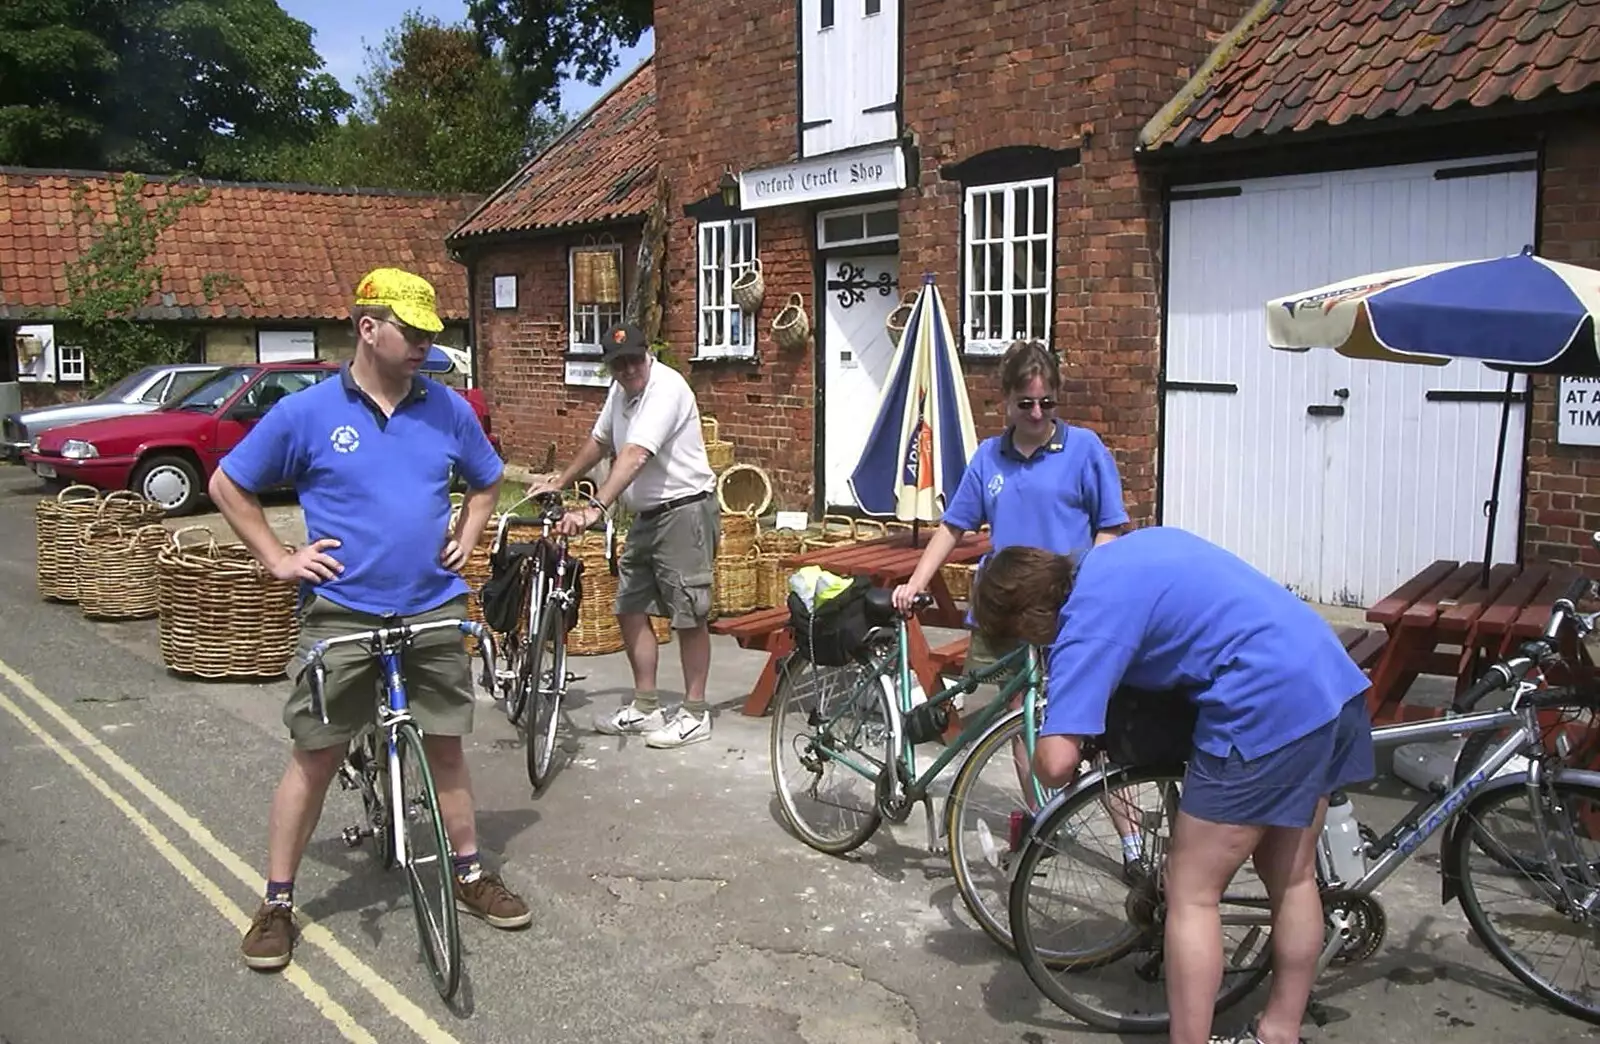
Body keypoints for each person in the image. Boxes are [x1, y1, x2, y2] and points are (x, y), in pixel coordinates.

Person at [214, 267, 533, 973]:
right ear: (367, 327)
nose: (424, 344)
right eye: (411, 331)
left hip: (431, 602)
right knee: (317, 752)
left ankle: (471, 874)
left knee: (446, 743)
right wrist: (277, 556)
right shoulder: (307, 413)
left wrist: (470, 534)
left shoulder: (445, 408)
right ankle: (276, 902)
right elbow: (227, 483)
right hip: (343, 610)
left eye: (430, 334)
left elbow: (487, 479)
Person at [970, 527, 1375, 1044]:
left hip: (1264, 704)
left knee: (1191, 894)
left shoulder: (1086, 622)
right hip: (1327, 678)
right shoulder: (1115, 556)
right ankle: (1279, 1031)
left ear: (1029, 619)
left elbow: (1053, 763)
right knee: (1292, 877)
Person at [891, 339, 1131, 856]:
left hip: (1067, 613)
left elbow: (1111, 530)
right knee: (1020, 724)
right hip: (1004, 613)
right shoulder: (988, 458)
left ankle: (1133, 842)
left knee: (1092, 730)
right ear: (1005, 400)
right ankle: (1047, 826)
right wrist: (915, 581)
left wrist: (1086, 584)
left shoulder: (1085, 450)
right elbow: (953, 527)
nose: (1038, 413)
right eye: (1026, 404)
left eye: (1048, 403)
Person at [534, 322, 720, 749]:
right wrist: (561, 480)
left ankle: (695, 712)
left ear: (647, 354)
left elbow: (635, 454)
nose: (628, 368)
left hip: (684, 510)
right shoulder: (621, 392)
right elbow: (600, 441)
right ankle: (646, 705)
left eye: (634, 359)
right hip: (647, 516)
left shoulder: (666, 390)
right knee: (630, 605)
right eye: (618, 363)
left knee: (689, 613)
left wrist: (595, 507)